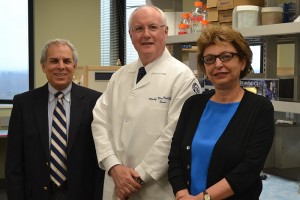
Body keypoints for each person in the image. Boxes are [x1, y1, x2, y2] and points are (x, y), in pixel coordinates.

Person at [92, 5, 201, 200]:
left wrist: (137, 177)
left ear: (165, 32)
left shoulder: (183, 78)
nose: (146, 34)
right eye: (139, 29)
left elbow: (174, 137)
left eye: (153, 27)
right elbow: (99, 122)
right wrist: (114, 166)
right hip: (115, 181)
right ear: (130, 35)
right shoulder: (119, 76)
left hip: (154, 188)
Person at [168, 25, 274, 200]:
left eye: (226, 56)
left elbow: (249, 168)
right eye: (209, 59)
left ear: (243, 61)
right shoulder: (193, 105)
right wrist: (181, 193)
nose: (218, 64)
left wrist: (203, 199)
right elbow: (175, 157)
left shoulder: (259, 108)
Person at [5, 39, 104, 200]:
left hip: (82, 193)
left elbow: (99, 160)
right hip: (37, 194)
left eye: (67, 61)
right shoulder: (24, 104)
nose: (61, 66)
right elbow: (14, 164)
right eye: (53, 61)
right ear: (43, 66)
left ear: (74, 66)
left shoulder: (95, 101)